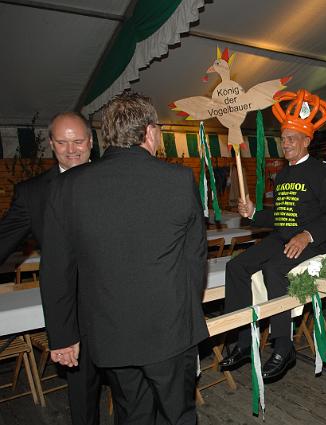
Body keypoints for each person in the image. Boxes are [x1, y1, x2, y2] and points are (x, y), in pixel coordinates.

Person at [39, 93, 208, 425]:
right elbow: (194, 257)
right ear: (149, 132)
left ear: (106, 136)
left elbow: (57, 268)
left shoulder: (68, 186)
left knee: (132, 414)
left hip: (110, 333)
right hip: (170, 329)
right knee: (178, 415)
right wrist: (184, 312)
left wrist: (63, 336)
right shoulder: (177, 180)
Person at [221, 89, 326, 381]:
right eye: (283, 138)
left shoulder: (323, 172)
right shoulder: (284, 175)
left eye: (291, 139)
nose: (285, 143)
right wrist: (254, 212)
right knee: (236, 266)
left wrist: (306, 235)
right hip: (282, 237)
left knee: (274, 269)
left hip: (313, 241)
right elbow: (279, 217)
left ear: (306, 141)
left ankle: (283, 347)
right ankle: (242, 341)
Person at [0, 112, 100, 425]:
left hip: (122, 308)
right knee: (83, 399)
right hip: (73, 315)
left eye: (78, 141)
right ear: (51, 144)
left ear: (91, 141)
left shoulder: (115, 180)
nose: (71, 150)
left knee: (133, 396)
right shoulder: (33, 193)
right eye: (62, 142)